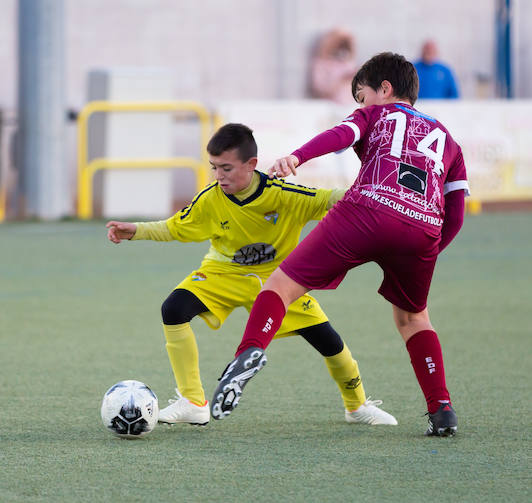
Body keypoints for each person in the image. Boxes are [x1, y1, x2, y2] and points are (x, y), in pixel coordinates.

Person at [210, 53, 468, 437]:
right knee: (414, 318)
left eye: (361, 96)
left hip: (367, 208)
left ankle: (249, 351)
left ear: (384, 89)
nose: (359, 105)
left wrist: (298, 155)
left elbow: (340, 137)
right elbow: (456, 210)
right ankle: (442, 409)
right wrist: (429, 251)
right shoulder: (448, 141)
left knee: (280, 286)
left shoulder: (376, 115)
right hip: (423, 228)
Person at [106, 123, 397, 427]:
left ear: (252, 164)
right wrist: (135, 231)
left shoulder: (284, 194)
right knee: (174, 309)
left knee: (331, 344)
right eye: (214, 167)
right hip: (223, 274)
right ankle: (193, 401)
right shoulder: (210, 199)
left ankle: (357, 406)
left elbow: (331, 199)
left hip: (280, 282)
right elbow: (174, 227)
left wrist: (380, 194)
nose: (219, 176)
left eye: (227, 168)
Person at [309, 28, 357, 105]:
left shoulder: (348, 62)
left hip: (350, 105)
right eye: (340, 43)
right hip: (330, 105)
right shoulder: (322, 64)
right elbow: (319, 88)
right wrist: (341, 81)